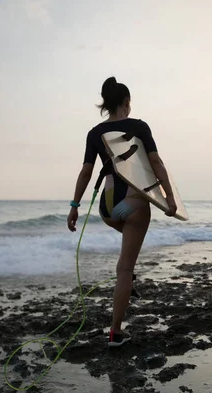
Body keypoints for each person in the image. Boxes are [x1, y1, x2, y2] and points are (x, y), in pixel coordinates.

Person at [67, 77, 177, 347]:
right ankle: (116, 331)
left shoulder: (94, 133)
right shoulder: (139, 126)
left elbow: (85, 172)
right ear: (126, 102)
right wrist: (169, 197)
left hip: (107, 207)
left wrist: (74, 205)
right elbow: (155, 161)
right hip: (133, 202)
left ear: (105, 104)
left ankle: (128, 282)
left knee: (127, 258)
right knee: (124, 268)